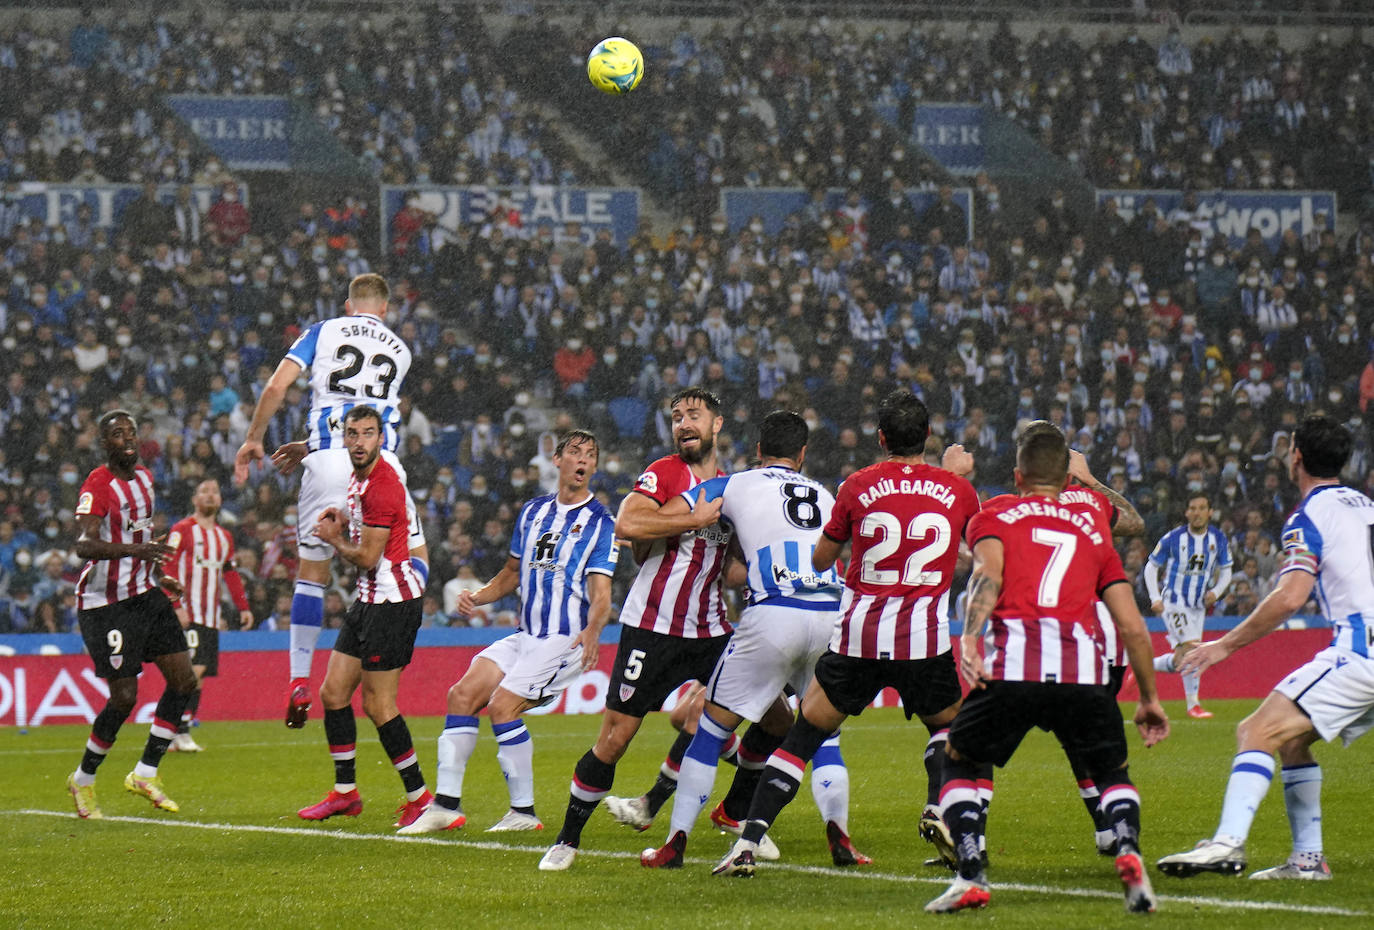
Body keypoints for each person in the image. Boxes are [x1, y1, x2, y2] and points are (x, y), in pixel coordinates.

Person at [712, 390, 981, 877]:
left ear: (880, 438)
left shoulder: (857, 485)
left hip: (859, 637)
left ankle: (747, 843)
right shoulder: (958, 490)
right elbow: (973, 550)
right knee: (948, 728)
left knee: (804, 736)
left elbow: (821, 560)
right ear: (927, 437)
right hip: (922, 639)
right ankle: (936, 808)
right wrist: (954, 476)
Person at [923, 426, 1169, 915]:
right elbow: (1133, 626)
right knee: (1111, 771)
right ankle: (1128, 852)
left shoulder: (995, 513)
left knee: (959, 757)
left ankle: (971, 875)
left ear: (1017, 475)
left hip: (1013, 667)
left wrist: (969, 637)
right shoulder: (1093, 520)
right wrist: (1149, 698)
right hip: (1083, 672)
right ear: (1067, 476)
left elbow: (987, 575)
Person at [639, 411, 864, 869]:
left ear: (759, 450)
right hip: (829, 613)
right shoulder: (824, 495)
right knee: (825, 737)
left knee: (711, 730)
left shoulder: (736, 484)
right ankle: (839, 837)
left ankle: (673, 844)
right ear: (802, 455)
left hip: (774, 612)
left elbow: (668, 516)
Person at [1157, 416, 1372, 881]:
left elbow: (1292, 596)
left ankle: (1226, 843)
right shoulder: (1366, 506)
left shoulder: (1309, 516)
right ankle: (1307, 862)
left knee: (1255, 731)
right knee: (1292, 741)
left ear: (1295, 457)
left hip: (1361, 649)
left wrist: (1224, 647)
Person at [539, 387, 733, 872]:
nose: (685, 423)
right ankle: (567, 838)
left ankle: (741, 816)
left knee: (755, 717)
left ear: (717, 425)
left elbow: (732, 567)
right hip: (653, 626)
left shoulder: (734, 488)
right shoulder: (667, 471)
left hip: (712, 629)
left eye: (695, 415)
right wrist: (692, 517)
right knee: (616, 739)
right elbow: (626, 521)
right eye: (677, 417)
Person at [233, 272, 428, 728]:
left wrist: (254, 438)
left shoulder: (323, 331)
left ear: (348, 304)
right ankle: (391, 652)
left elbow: (278, 387)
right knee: (412, 561)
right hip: (382, 467)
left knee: (313, 574)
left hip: (325, 463)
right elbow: (366, 414)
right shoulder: (400, 350)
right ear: (383, 309)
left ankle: (299, 678)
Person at [399, 430, 617, 835]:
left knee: (502, 706)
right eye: (575, 452)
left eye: (590, 454)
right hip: (526, 634)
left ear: (594, 466)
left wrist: (593, 628)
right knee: (462, 695)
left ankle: (524, 812)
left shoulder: (601, 523)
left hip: (564, 638)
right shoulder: (533, 512)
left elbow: (601, 593)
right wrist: (477, 597)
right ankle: (445, 806)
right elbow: (512, 573)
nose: (582, 459)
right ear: (557, 460)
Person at [296, 406, 433, 827]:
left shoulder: (384, 486)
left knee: (378, 704)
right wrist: (343, 522)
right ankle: (345, 793)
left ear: (380, 438)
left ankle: (421, 798)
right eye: (352, 433)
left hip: (392, 604)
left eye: (368, 434)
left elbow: (370, 556)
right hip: (369, 601)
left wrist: (335, 539)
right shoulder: (360, 480)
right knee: (333, 694)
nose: (359, 441)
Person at [65, 410, 196, 819]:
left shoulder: (145, 479)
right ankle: (83, 779)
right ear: (104, 444)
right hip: (105, 604)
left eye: (131, 432)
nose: (126, 438)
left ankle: (145, 772)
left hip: (145, 593)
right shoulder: (98, 485)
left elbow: (140, 538)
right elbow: (84, 546)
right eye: (116, 434)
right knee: (124, 698)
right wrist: (136, 553)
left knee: (184, 681)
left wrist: (157, 572)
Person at [165, 478, 255, 752]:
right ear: (194, 499)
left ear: (220, 500)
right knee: (192, 672)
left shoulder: (224, 537)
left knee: (199, 676)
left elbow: (230, 573)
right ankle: (174, 729)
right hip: (187, 614)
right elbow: (166, 568)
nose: (210, 495)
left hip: (210, 615)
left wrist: (243, 607)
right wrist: (175, 605)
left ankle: (180, 731)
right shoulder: (181, 530)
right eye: (204, 491)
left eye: (215, 491)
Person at [1144, 492, 1233, 718]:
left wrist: (1216, 592)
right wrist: (1155, 597)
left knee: (1180, 659)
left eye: (1202, 508)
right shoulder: (1173, 538)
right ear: (1186, 512)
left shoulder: (1217, 539)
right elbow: (1151, 567)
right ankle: (1193, 705)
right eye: (1192, 508)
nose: (1197, 513)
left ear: (1210, 512)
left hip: (1198, 605)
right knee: (1193, 650)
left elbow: (1226, 571)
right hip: (1174, 601)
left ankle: (1143, 666)